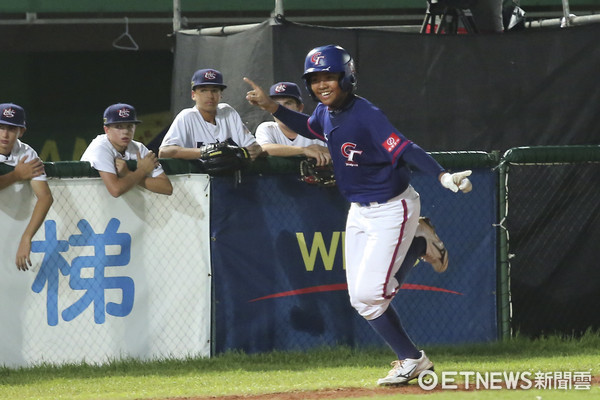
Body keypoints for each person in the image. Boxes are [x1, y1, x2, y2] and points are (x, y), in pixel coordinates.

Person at [244, 45, 472, 386]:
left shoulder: (366, 114)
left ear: (346, 77)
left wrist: (441, 175)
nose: (322, 84)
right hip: (359, 211)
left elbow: (405, 147)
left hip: (392, 209)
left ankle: (413, 350)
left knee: (369, 297)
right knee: (361, 298)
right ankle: (412, 357)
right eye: (316, 79)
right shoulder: (325, 112)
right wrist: (271, 107)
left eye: (329, 77)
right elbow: (309, 125)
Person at [159, 68, 262, 160]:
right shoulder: (187, 117)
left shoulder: (228, 113)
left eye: (214, 90)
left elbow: (253, 145)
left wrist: (255, 149)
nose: (210, 96)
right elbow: (164, 152)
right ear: (193, 95)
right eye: (203, 90)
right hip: (199, 179)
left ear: (220, 94)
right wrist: (205, 152)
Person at [0, 103, 54, 271]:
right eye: (0, 127)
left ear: (21, 131)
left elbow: (45, 197)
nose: (5, 134)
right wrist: (16, 175)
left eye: (11, 128)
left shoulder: (26, 153)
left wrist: (26, 237)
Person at [81, 103, 173, 198]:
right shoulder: (100, 147)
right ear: (106, 129)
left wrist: (128, 174)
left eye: (129, 126)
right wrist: (142, 171)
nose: (125, 131)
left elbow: (167, 188)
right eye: (119, 126)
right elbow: (115, 190)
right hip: (84, 202)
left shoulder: (138, 148)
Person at [255, 82, 331, 166]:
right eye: (276, 105)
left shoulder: (315, 127)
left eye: (288, 103)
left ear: (300, 108)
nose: (282, 109)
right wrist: (304, 150)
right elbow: (263, 148)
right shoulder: (268, 128)